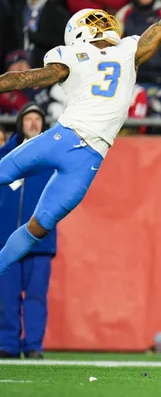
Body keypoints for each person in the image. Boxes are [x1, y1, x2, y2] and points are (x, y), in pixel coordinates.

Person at [0, 0, 161, 276]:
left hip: (81, 151)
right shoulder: (126, 50)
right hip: (75, 144)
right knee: (27, 210)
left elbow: (28, 78)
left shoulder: (101, 52)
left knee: (39, 227)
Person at [0, 103, 55, 359]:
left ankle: (33, 345)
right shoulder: (3, 156)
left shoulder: (53, 157)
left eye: (38, 119)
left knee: (35, 296)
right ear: (20, 123)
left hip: (40, 241)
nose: (33, 123)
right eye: (29, 118)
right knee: (6, 297)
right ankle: (7, 345)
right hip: (6, 242)